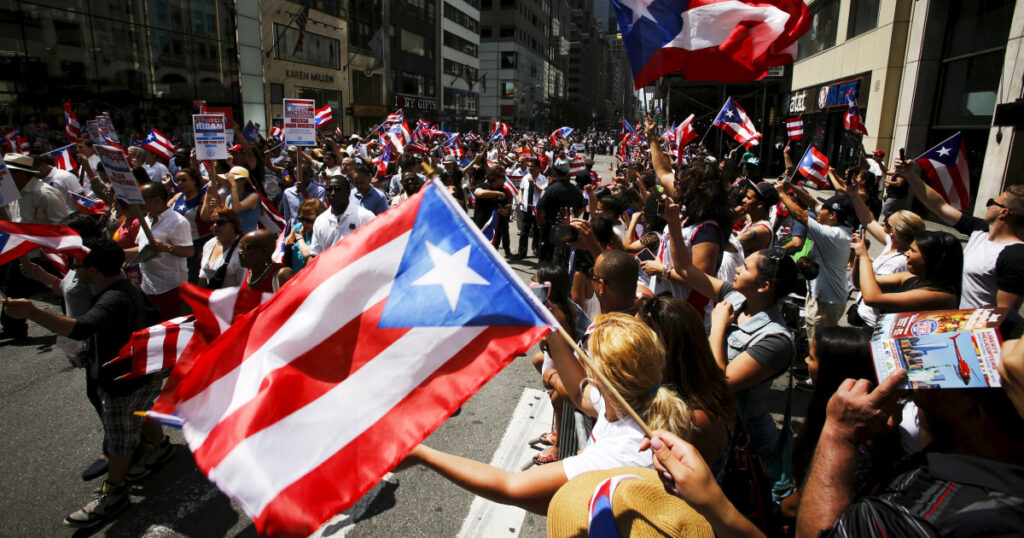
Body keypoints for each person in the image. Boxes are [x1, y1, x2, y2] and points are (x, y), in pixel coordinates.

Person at [401, 314, 693, 514]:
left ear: (601, 377)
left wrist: (423, 455)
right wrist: (553, 331)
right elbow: (579, 394)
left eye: (585, 355)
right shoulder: (634, 399)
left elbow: (511, 486)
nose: (580, 357)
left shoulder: (621, 452)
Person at [2, 239, 171, 528]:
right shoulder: (120, 289)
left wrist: (32, 312)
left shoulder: (113, 299)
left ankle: (114, 492)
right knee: (141, 413)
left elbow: (82, 327)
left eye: (77, 266)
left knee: (119, 441)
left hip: (123, 382)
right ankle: (159, 447)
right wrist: (40, 276)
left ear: (93, 270)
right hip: (142, 373)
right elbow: (70, 292)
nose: (74, 271)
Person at [796, 367, 1024, 537]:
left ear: (973, 411)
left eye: (947, 373)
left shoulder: (916, 517)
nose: (919, 389)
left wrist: (839, 435)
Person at [663, 197, 801, 460]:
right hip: (709, 425)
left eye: (746, 267)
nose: (737, 268)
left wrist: (717, 328)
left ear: (763, 286)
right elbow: (685, 269)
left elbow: (721, 384)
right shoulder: (736, 297)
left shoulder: (775, 340)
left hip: (743, 442)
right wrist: (672, 224)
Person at [896, 158, 1024, 310]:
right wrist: (911, 175)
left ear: (1004, 212)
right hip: (949, 321)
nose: (987, 205)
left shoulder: (1016, 255)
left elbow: (1005, 314)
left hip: (971, 331)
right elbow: (939, 206)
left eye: (992, 203)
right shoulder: (980, 230)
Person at [636, 295, 736, 471]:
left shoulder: (694, 420)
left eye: (639, 342)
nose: (632, 348)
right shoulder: (703, 383)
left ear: (663, 351)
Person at [776, 180, 853, 351]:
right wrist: (792, 186)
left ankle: (817, 375)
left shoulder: (832, 234)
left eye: (823, 209)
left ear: (833, 215)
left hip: (826, 300)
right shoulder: (838, 228)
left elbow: (800, 215)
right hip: (825, 296)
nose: (818, 210)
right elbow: (812, 203)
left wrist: (782, 193)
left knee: (819, 345)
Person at [1, 153, 71, 341]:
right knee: (13, 289)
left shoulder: (44, 193)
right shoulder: (14, 195)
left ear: (21, 174)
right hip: (22, 253)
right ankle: (14, 327)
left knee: (63, 290)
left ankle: (74, 323)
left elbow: (61, 226)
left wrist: (47, 250)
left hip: (45, 256)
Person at [125, 182, 194, 320]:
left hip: (170, 288)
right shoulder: (145, 220)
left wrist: (166, 248)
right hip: (148, 286)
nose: (139, 202)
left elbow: (189, 251)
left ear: (157, 199)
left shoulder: (178, 222)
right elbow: (142, 248)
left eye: (142, 198)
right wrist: (120, 252)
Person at [852, 229, 962, 314]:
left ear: (932, 258)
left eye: (913, 251)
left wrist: (864, 256)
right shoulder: (909, 278)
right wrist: (859, 253)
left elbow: (873, 299)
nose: (906, 253)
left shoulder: (941, 296)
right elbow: (860, 283)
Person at [309, 176, 375, 257]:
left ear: (348, 192)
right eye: (329, 189)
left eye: (337, 189)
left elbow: (376, 247)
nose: (332, 193)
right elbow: (315, 254)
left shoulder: (365, 216)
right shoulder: (320, 220)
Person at [536, 162, 585, 263]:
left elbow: (540, 210)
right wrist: (574, 216)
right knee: (565, 256)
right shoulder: (576, 190)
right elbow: (582, 207)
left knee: (547, 255)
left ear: (555, 176)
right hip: (569, 227)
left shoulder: (549, 190)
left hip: (550, 227)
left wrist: (540, 224)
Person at [167, 168, 210, 283]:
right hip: (180, 243)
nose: (180, 183)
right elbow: (164, 212)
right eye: (178, 180)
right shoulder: (178, 197)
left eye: (184, 180)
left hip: (199, 244)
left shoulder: (203, 196)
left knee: (195, 278)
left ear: (194, 181)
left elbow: (205, 217)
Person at [198, 208, 245, 289]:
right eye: (212, 223)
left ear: (233, 224)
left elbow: (244, 285)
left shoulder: (243, 249)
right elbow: (203, 277)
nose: (215, 226)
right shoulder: (209, 244)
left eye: (220, 222)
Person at [515, 158, 548, 259]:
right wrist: (520, 198)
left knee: (537, 232)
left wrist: (534, 184)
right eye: (529, 166)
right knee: (524, 231)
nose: (530, 168)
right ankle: (522, 252)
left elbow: (544, 192)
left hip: (537, 209)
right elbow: (521, 189)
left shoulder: (543, 179)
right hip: (526, 208)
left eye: (532, 166)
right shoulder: (525, 178)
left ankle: (536, 249)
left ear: (538, 168)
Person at [737, 180, 779, 254]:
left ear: (760, 205)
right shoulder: (754, 222)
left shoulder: (760, 230)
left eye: (749, 198)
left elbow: (732, 245)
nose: (743, 200)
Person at [284, 198, 326, 273]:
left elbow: (308, 254)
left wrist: (299, 238)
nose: (304, 223)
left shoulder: (321, 232)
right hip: (295, 276)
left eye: (309, 220)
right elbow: (287, 241)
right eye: (301, 219)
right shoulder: (299, 226)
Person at [220, 166, 261, 233]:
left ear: (244, 181)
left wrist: (233, 185)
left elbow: (236, 208)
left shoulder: (254, 196)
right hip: (233, 236)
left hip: (248, 237)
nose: (231, 182)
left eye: (234, 179)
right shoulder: (229, 198)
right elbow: (227, 217)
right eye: (229, 180)